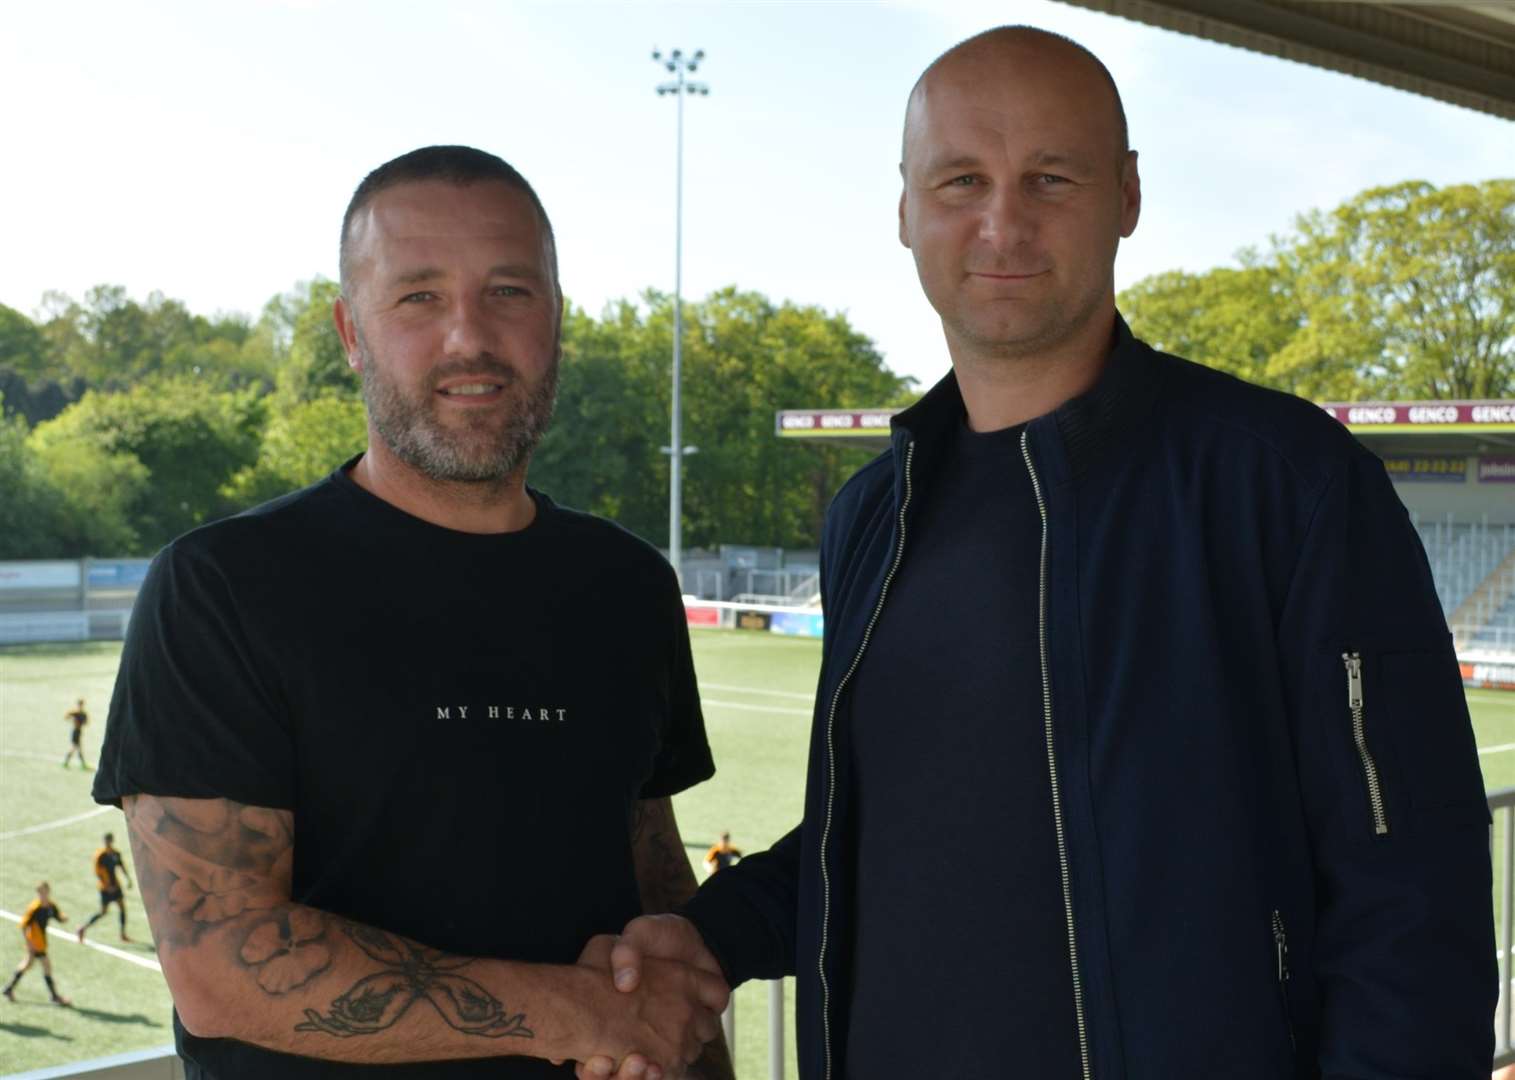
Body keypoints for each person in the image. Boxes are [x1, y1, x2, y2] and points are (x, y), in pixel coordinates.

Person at [596, 25, 1497, 1079]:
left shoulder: (1282, 481)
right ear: (905, 211)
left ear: (1127, 197)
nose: (1002, 223)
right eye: (961, 180)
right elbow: (893, 834)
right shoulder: (872, 515)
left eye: (1051, 179)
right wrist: (717, 931)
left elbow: (1413, 898)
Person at [92, 146, 732, 1080]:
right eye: (419, 297)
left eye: (509, 291)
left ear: (557, 320)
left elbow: (652, 886)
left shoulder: (626, 584)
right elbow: (220, 965)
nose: (467, 338)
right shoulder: (223, 586)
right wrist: (569, 1013)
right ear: (352, 333)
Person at [3, 883, 71, 1006]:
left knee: (28, 964)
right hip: (35, 941)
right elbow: (23, 925)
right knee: (46, 966)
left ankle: (9, 988)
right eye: (40, 892)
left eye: (44, 892)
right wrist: (29, 943)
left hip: (41, 941)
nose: (43, 895)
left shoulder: (50, 906)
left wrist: (63, 918)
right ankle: (54, 996)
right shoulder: (35, 908)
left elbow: (57, 916)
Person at [77, 832, 133, 944]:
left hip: (116, 886)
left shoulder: (116, 853)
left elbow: (121, 866)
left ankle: (123, 934)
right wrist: (107, 887)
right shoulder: (100, 856)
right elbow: (97, 873)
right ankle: (82, 928)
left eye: (109, 840)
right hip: (105, 888)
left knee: (122, 908)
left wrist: (128, 879)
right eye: (106, 841)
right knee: (103, 912)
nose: (108, 843)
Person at [62, 698, 88, 769]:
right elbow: (66, 716)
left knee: (77, 748)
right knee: (75, 748)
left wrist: (76, 721)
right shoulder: (77, 713)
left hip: (79, 732)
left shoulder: (83, 714)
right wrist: (73, 720)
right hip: (76, 732)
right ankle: (81, 764)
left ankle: (67, 763)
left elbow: (86, 723)